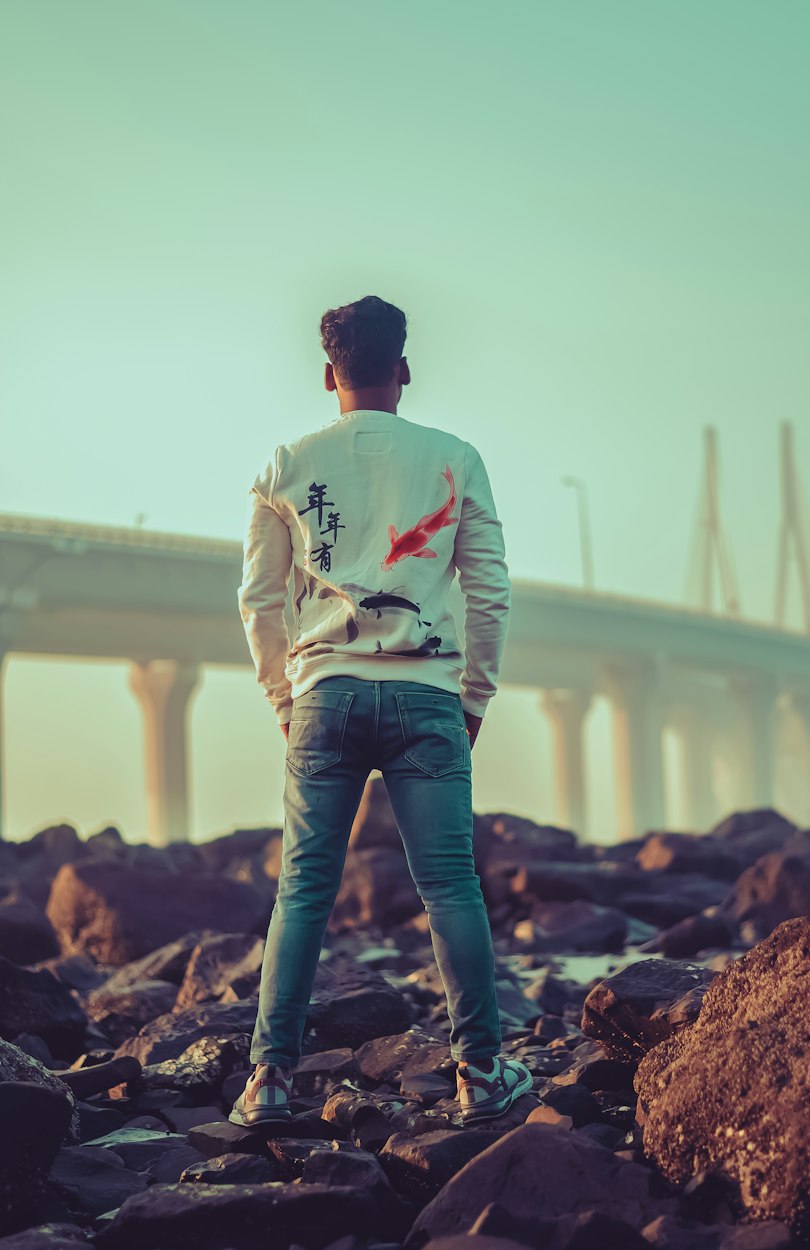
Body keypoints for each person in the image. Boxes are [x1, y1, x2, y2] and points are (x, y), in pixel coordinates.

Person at [229, 295, 533, 1128]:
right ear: (403, 369)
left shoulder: (287, 463)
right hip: (427, 695)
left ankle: (270, 1083)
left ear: (330, 373)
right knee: (450, 888)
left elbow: (259, 601)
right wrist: (474, 696)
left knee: (302, 892)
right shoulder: (454, 457)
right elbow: (491, 594)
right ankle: (483, 1074)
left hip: (323, 695)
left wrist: (284, 700)